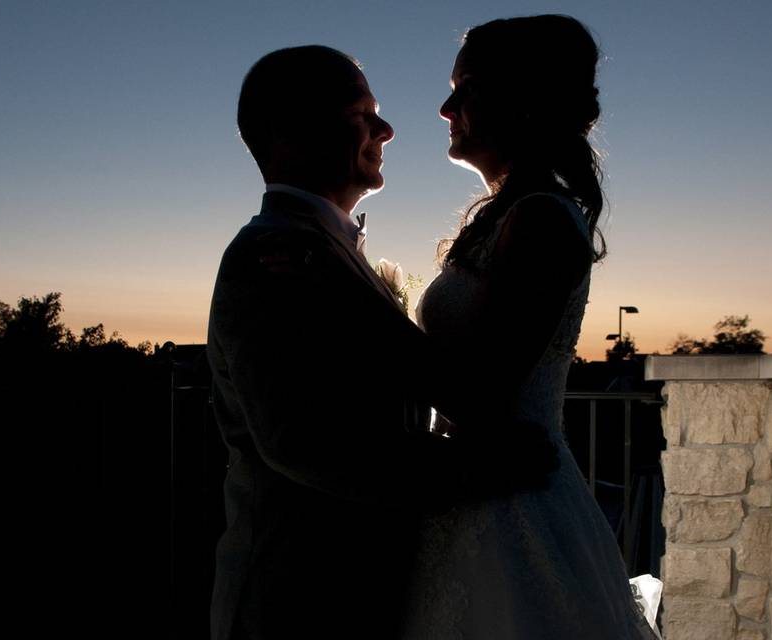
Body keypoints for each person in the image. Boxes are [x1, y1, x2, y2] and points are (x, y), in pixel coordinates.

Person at [206, 45, 558, 640]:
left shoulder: (325, 250)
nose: (386, 129)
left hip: (364, 587)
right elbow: (305, 445)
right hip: (301, 597)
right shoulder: (272, 257)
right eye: (360, 113)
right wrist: (484, 469)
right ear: (285, 132)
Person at [405, 16, 659, 639]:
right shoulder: (511, 214)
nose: (445, 108)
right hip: (476, 493)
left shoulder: (542, 220)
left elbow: (476, 393)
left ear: (521, 99)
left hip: (512, 508)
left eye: (463, 88)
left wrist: (362, 325)